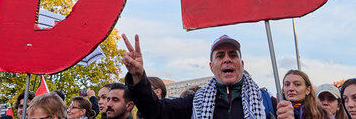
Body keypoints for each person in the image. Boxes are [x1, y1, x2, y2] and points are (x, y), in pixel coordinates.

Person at [122, 33, 293, 119]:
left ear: (242, 64)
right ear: (212, 67)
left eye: (233, 55)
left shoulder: (267, 103)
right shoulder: (195, 101)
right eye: (220, 56)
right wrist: (138, 76)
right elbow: (155, 111)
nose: (227, 60)